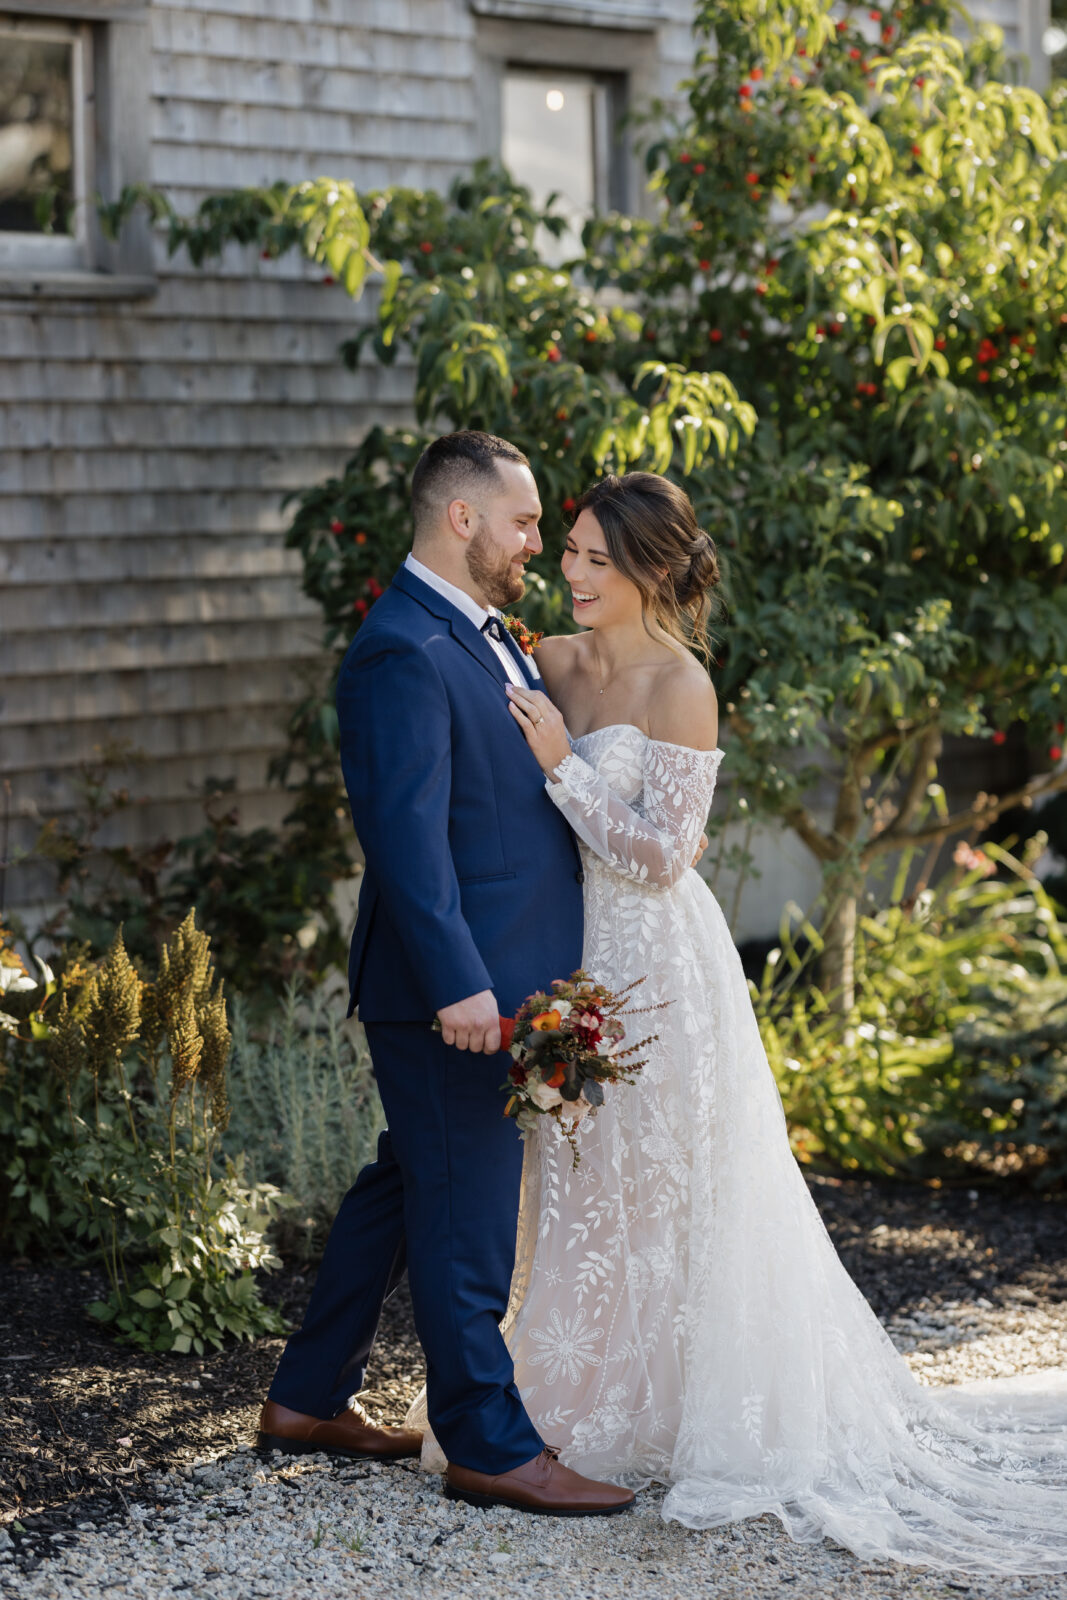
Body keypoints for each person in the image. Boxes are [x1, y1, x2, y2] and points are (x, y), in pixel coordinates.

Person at [414, 469, 1067, 1574]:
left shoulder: (681, 685)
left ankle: (694, 1412)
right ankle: (564, 1400)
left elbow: (663, 858)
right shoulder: (543, 658)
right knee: (579, 1183)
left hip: (661, 967)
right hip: (565, 964)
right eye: (565, 550)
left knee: (676, 1185)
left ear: (651, 572)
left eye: (593, 559)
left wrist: (563, 769)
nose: (569, 573)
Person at [257, 430, 633, 1517]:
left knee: (403, 1186)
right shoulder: (401, 649)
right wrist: (461, 984)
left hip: (499, 979)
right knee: (466, 1219)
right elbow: (405, 839)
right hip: (454, 996)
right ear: (460, 519)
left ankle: (303, 1396)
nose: (536, 546)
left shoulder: (478, 632)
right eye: (522, 524)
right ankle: (487, 1444)